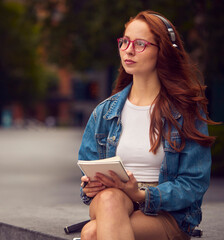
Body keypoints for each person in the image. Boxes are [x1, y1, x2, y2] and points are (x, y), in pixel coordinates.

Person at [78, 10, 217, 240]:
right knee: (110, 198)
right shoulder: (104, 112)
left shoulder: (185, 111)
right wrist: (88, 188)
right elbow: (88, 172)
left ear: (162, 52)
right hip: (111, 201)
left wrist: (142, 194)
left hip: (166, 213)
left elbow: (194, 184)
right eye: (125, 42)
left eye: (140, 43)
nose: (129, 50)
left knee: (92, 233)